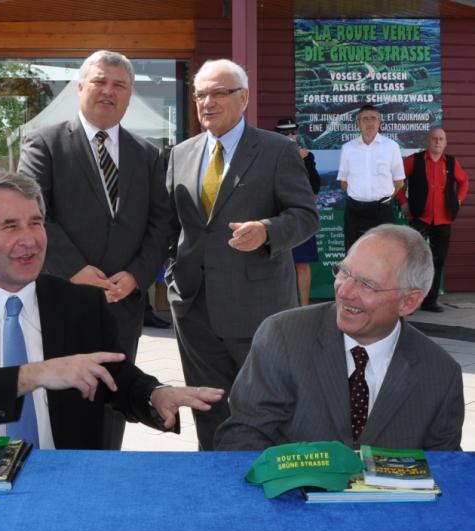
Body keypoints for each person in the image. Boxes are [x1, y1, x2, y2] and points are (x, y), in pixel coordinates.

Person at [0, 171, 224, 449]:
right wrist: (33, 375)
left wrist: (155, 394)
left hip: (65, 473)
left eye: (36, 223)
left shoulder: (81, 304)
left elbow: (117, 377)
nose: (29, 240)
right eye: (11, 226)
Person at [18, 50, 176, 450]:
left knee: (113, 402)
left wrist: (137, 276)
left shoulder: (147, 154)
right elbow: (33, 215)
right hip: (61, 298)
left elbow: (161, 224)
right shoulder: (44, 143)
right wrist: (75, 270)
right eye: (100, 82)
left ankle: (103, 476)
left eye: (119, 85)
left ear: (129, 94)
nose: (109, 91)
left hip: (121, 304)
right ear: (80, 87)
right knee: (58, 402)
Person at [166, 58, 319, 450]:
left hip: (258, 308)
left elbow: (305, 216)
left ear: (244, 97)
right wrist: (172, 277)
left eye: (219, 93)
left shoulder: (276, 150)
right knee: (209, 410)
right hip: (195, 310)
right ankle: (215, 476)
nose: (207, 102)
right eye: (201, 94)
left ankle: (267, 476)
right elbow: (169, 224)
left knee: (266, 409)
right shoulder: (180, 154)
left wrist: (267, 231)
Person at [215, 224, 463, 451]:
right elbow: (242, 437)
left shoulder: (440, 374)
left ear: (408, 302)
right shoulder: (283, 336)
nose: (344, 291)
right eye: (344, 272)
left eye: (367, 285)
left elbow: (445, 469)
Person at [395, 127, 469, 313]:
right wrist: (403, 202)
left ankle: (430, 301)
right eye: (434, 138)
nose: (437, 141)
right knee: (413, 261)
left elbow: (464, 182)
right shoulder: (414, 160)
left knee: (438, 260)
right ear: (428, 141)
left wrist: (459, 200)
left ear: (445, 143)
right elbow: (397, 181)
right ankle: (409, 302)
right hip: (420, 217)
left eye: (441, 139)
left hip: (444, 220)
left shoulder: (451, 162)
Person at [337, 104, 405, 252]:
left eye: (373, 118)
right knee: (353, 255)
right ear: (358, 123)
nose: (369, 122)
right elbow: (344, 182)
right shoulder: (348, 148)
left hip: (382, 212)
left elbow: (399, 182)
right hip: (355, 211)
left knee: (385, 255)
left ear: (379, 122)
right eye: (365, 119)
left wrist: (383, 200)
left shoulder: (391, 147)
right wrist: (360, 197)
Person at [275, 117, 320, 306]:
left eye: (293, 133)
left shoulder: (307, 156)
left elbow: (315, 187)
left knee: (302, 263)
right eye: (285, 133)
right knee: (279, 263)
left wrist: (303, 161)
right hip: (278, 215)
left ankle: (304, 307)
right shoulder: (271, 154)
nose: (290, 136)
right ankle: (282, 306)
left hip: (301, 214)